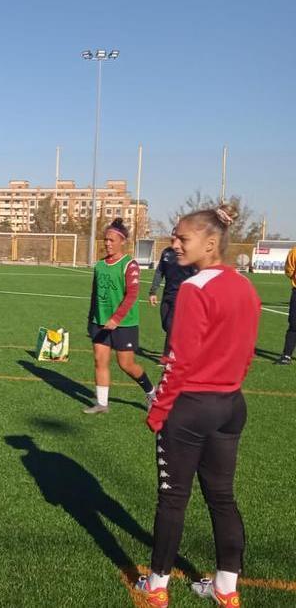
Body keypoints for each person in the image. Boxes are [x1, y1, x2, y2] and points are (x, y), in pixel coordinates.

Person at [134, 205, 260, 608]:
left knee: (173, 498)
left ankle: (156, 585)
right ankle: (226, 588)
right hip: (230, 406)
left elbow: (179, 361)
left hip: (191, 409)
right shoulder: (246, 288)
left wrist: (157, 412)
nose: (173, 246)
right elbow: (245, 355)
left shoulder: (193, 288)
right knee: (222, 497)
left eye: (181, 238)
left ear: (210, 243)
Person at [84, 218, 155, 414]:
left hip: (124, 324)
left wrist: (116, 319)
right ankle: (102, 404)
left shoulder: (129, 265)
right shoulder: (99, 265)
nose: (107, 243)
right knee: (100, 360)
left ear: (122, 241)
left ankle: (151, 392)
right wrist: (91, 319)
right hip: (99, 322)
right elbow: (94, 294)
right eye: (105, 240)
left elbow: (132, 295)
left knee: (126, 364)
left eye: (111, 240)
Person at [148, 230, 197, 359]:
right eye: (173, 237)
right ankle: (180, 345)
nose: (174, 240)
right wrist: (153, 291)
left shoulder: (189, 254)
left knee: (171, 324)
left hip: (183, 295)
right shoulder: (166, 252)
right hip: (167, 293)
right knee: (166, 324)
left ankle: (166, 356)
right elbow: (159, 272)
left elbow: (197, 274)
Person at [277, 244, 295, 365]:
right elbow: (289, 270)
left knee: (294, 325)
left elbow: (289, 271)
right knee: (294, 325)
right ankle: (287, 355)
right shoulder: (294, 252)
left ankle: (286, 356)